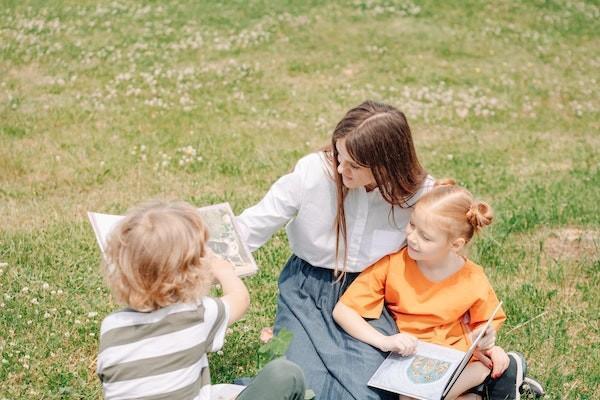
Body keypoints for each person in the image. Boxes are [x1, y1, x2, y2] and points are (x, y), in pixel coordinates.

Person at [237, 100, 441, 399]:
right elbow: (255, 223)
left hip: (369, 298)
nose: (341, 167)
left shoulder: (418, 194)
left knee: (373, 391)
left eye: (354, 165)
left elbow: (444, 254)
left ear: (388, 164)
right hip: (306, 291)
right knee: (302, 387)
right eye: (338, 155)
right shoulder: (313, 171)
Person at [332, 180, 532, 400]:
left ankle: (487, 374)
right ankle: (489, 385)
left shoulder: (472, 277)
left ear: (455, 245)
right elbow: (343, 311)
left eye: (425, 237)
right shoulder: (392, 265)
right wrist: (384, 341)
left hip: (458, 360)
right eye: (412, 225)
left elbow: (485, 324)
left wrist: (486, 340)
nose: (412, 237)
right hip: (414, 359)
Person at [96, 200, 306, 400]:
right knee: (284, 374)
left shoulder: (111, 326)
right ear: (192, 272)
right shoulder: (197, 314)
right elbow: (239, 298)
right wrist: (224, 271)